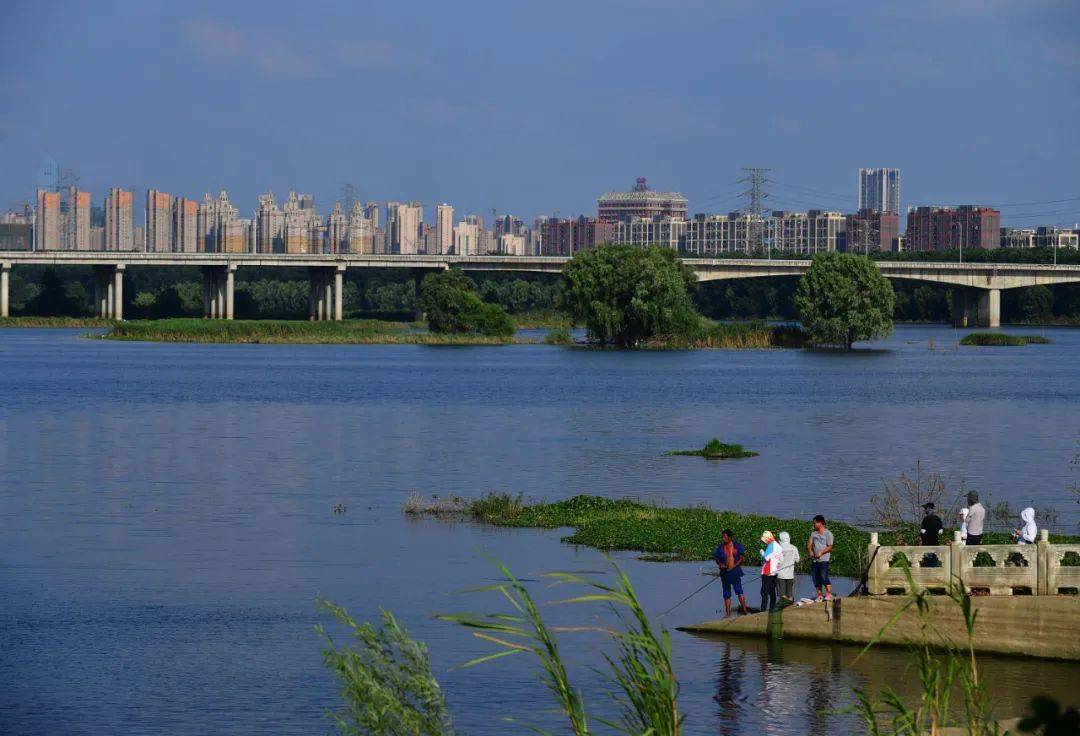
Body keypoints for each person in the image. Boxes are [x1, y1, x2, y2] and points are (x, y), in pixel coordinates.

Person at [713, 530, 749, 617]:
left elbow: (742, 559)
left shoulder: (737, 546)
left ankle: (744, 611)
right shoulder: (720, 547)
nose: (723, 538)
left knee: (739, 591)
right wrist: (720, 564)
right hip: (724, 573)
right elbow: (717, 558)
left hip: (735, 572)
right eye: (722, 537)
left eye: (725, 537)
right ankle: (728, 614)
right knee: (726, 593)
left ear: (729, 537)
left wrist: (734, 566)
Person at [807, 515, 834, 601]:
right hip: (815, 560)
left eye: (815, 523)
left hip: (824, 560)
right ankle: (819, 595)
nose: (813, 524)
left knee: (824, 577)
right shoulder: (813, 533)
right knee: (816, 578)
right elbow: (809, 545)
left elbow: (830, 547)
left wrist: (821, 552)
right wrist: (810, 551)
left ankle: (829, 594)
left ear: (820, 523)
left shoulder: (828, 534)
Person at [759, 530, 784, 612]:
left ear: (768, 538)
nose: (765, 542)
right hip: (774, 572)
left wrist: (762, 552)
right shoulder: (779, 546)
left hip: (767, 572)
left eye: (765, 540)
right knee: (772, 591)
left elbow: (766, 557)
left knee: (764, 592)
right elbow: (781, 560)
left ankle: (763, 610)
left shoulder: (771, 545)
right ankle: (772, 609)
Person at [777, 531, 800, 603]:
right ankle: (789, 608)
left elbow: (775, 561)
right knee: (789, 594)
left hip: (780, 575)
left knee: (782, 594)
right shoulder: (794, 548)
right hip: (790, 575)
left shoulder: (778, 548)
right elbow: (797, 560)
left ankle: (784, 608)